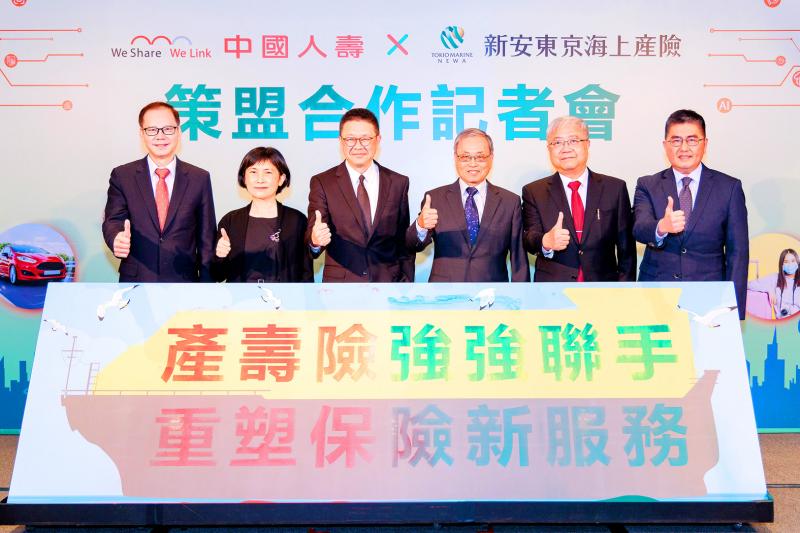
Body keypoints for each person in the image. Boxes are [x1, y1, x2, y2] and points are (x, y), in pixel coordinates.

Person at [633, 109, 749, 319]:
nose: (684, 148)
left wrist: (734, 310)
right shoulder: (647, 184)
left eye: (692, 140)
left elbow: (738, 253)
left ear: (705, 144)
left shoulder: (729, 188)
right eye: (676, 140)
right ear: (665, 145)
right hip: (656, 297)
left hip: (710, 300)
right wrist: (662, 227)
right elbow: (639, 228)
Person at [102, 101, 216, 282]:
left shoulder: (199, 178)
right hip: (137, 280)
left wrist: (207, 285)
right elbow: (113, 220)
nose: (160, 136)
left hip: (184, 282)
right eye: (152, 130)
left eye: (168, 129)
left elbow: (206, 239)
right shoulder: (123, 176)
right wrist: (116, 238)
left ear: (178, 131)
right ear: (142, 133)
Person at [521, 116, 636, 282]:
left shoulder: (615, 189)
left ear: (587, 144)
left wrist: (625, 288)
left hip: (604, 286)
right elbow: (529, 237)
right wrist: (545, 241)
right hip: (553, 288)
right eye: (557, 142)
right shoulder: (534, 191)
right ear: (549, 148)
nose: (565, 148)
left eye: (573, 140)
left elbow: (627, 250)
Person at [406, 128, 529, 282]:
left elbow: (519, 259)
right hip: (444, 291)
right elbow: (411, 245)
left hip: (493, 291)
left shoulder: (510, 202)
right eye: (465, 157)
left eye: (480, 157)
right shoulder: (435, 198)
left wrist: (521, 294)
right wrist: (421, 226)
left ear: (491, 158)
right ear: (455, 158)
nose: (473, 164)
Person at [306, 108, 413, 282]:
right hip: (341, 286)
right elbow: (313, 238)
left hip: (388, 284)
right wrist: (316, 241)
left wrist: (406, 283)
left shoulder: (398, 183)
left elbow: (403, 242)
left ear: (378, 140)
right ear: (340, 141)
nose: (358, 146)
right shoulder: (323, 182)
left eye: (365, 139)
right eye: (350, 139)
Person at [211, 147, 313, 283]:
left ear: (281, 179)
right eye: (253, 172)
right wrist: (220, 255)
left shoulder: (296, 220)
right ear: (244, 178)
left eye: (268, 172)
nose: (260, 179)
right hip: (241, 296)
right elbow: (217, 275)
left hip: (284, 296)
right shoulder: (231, 221)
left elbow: (306, 274)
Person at [748, 249, 800, 319]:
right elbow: (750, 285)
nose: (790, 264)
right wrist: (769, 289)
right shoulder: (775, 278)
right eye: (786, 262)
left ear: (797, 262)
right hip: (782, 322)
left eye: (793, 261)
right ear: (782, 265)